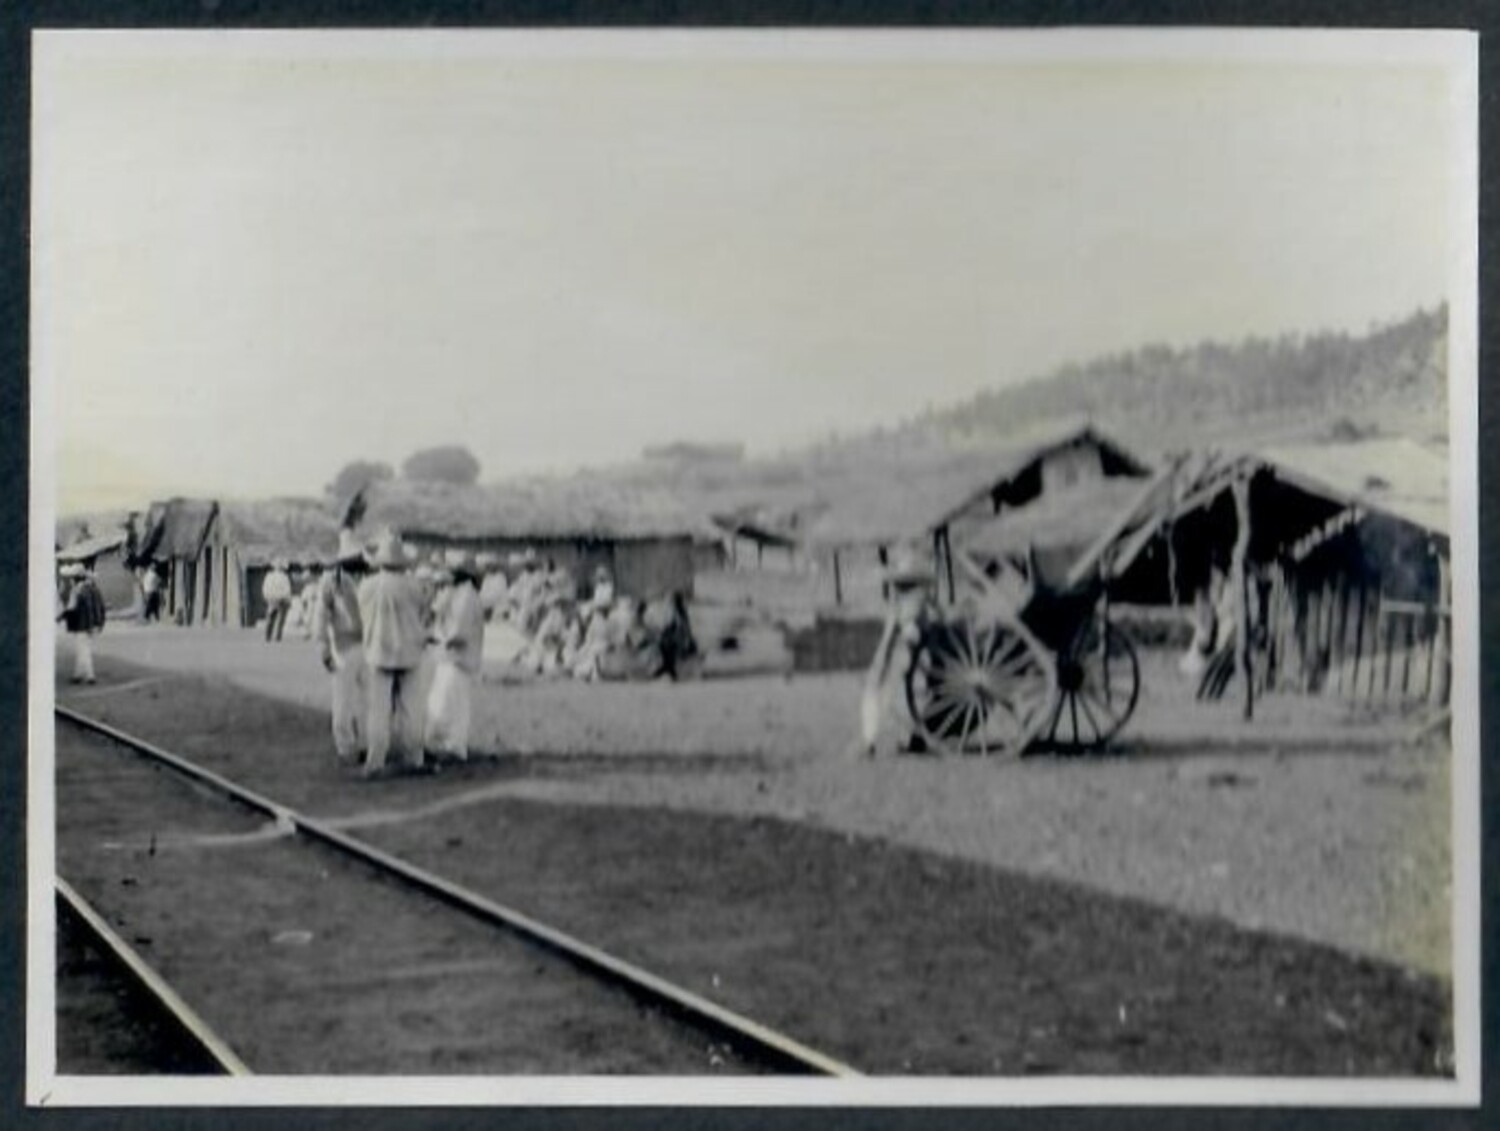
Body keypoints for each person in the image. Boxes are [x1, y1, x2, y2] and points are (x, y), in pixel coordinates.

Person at [357, 531, 428, 776]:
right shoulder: (414, 586)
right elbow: (422, 611)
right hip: (409, 650)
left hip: (378, 650)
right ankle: (414, 757)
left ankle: (376, 760)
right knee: (411, 709)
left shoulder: (367, 586)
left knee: (378, 710)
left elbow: (362, 615)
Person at [857, 546, 936, 757]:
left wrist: (883, 658)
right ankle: (913, 737)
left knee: (876, 693)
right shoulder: (921, 602)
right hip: (918, 657)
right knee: (907, 698)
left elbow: (896, 633)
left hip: (903, 655)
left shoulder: (903, 604)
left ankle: (869, 742)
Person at [425, 550, 487, 760]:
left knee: (443, 704)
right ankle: (453, 746)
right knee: (456, 706)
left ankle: (448, 747)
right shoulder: (462, 594)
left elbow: (459, 632)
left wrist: (437, 638)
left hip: (456, 658)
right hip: (457, 658)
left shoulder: (466, 597)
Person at [314, 533, 369, 765]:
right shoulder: (331, 582)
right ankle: (346, 745)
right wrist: (324, 648)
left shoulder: (369, 579)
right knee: (344, 701)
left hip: (368, 646)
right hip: (343, 647)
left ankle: (366, 743)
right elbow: (321, 617)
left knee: (367, 699)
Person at [57, 562, 107, 684]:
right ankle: (78, 674)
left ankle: (90, 675)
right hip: (92, 624)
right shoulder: (94, 589)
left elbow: (71, 608)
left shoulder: (77, 591)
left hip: (81, 624)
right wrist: (100, 623)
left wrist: (60, 617)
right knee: (84, 648)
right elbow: (101, 606)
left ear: (75, 579)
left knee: (83, 649)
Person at [262, 559, 293, 642]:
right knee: (280, 619)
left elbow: (265, 588)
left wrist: (267, 597)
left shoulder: (269, 576)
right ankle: (277, 636)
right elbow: (287, 589)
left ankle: (268, 635)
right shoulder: (284, 577)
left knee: (270, 618)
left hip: (272, 599)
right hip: (281, 599)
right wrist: (288, 599)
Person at [477, 552, 508, 621]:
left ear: (495, 566)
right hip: (487, 607)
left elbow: (496, 596)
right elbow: (483, 592)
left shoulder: (500, 577)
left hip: (499, 610)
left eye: (490, 565)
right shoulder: (487, 577)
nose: (488, 568)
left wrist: (483, 602)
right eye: (487, 566)